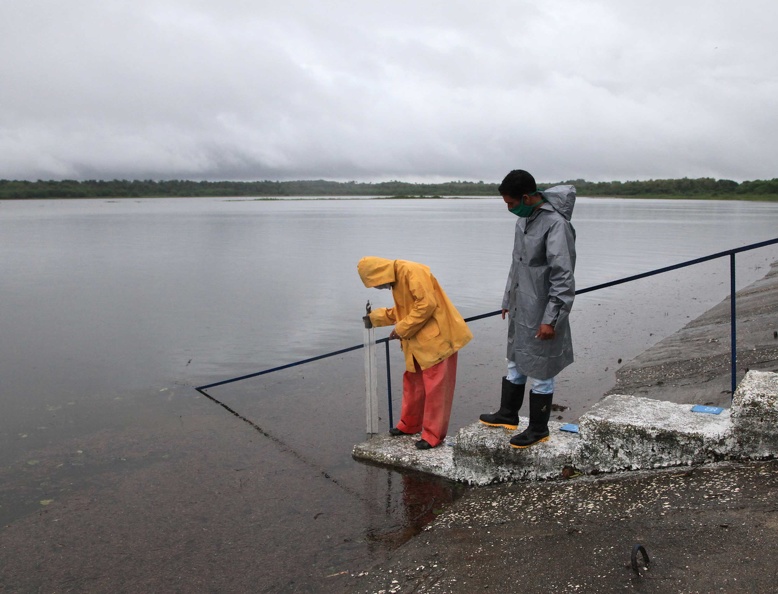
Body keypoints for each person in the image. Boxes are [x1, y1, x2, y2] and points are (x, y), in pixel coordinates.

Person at [479, 170, 576, 448]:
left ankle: (538, 428)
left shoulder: (556, 225)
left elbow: (563, 276)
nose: (509, 209)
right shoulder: (524, 220)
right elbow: (517, 264)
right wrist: (508, 299)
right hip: (522, 305)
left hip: (544, 308)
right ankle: (508, 413)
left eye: (511, 203)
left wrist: (552, 319)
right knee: (515, 358)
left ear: (525, 197)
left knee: (542, 370)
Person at [357, 257, 473, 450]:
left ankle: (433, 436)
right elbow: (404, 311)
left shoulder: (412, 271)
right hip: (418, 343)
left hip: (438, 341)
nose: (379, 288)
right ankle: (409, 425)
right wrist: (374, 318)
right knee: (413, 383)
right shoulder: (396, 280)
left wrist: (401, 329)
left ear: (379, 274)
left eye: (376, 284)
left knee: (436, 390)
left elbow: (426, 305)